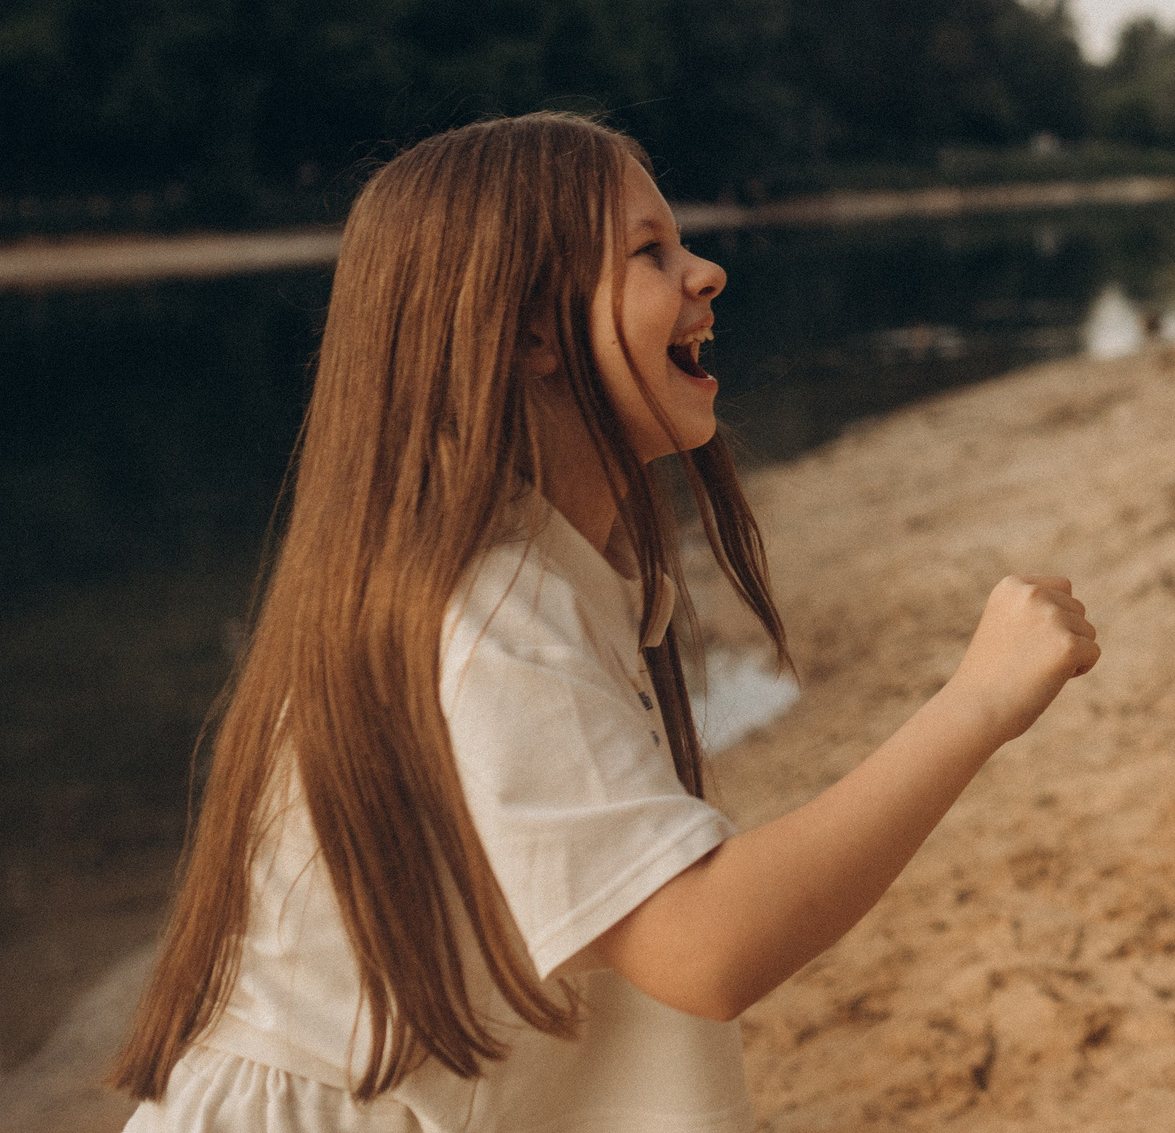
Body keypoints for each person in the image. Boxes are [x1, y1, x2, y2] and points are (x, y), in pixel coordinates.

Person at [108, 112, 1100, 1130]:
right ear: (533, 330)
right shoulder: (491, 609)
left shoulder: (541, 577)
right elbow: (703, 946)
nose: (704, 272)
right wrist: (976, 702)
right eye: (648, 251)